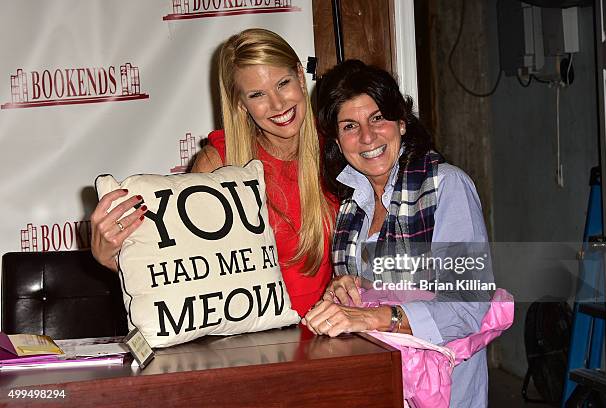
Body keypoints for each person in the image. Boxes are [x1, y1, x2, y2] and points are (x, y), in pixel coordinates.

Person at [90, 28, 336, 317]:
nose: (278, 104)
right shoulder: (217, 163)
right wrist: (109, 257)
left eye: (283, 83)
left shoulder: (339, 149)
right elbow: (183, 272)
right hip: (257, 345)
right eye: (257, 94)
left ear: (299, 73)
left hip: (333, 337)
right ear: (240, 103)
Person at [303, 59, 493, 407]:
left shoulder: (446, 185)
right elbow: (380, 294)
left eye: (377, 118)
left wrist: (372, 316)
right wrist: (346, 290)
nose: (367, 136)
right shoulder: (350, 206)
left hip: (443, 392)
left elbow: (467, 309)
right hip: (378, 383)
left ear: (402, 122)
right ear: (336, 140)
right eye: (349, 126)